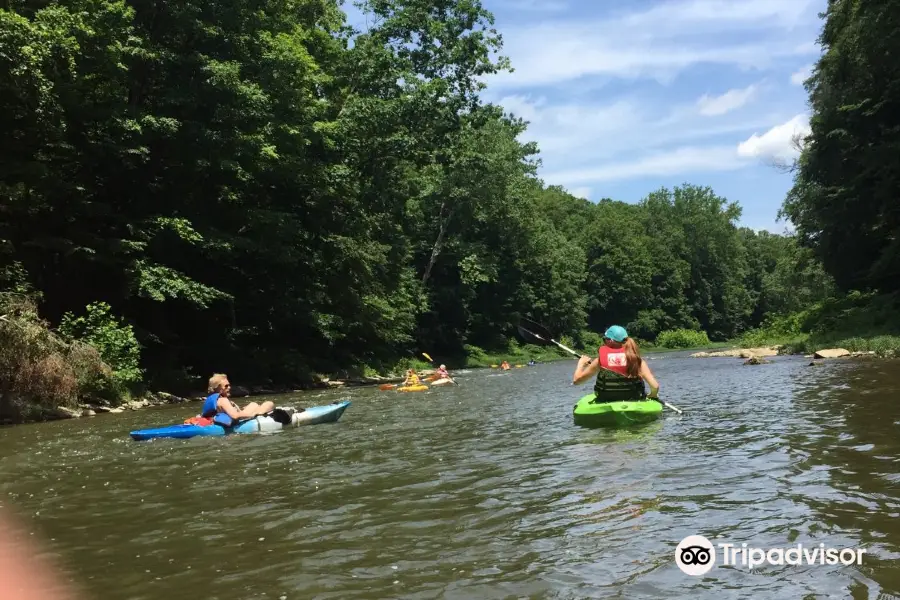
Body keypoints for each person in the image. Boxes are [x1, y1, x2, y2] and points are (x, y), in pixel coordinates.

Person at [572, 325, 660, 401]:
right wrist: (653, 395)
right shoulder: (637, 361)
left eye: (604, 339)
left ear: (610, 341)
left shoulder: (598, 361)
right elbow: (655, 386)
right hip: (634, 398)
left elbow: (577, 381)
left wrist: (581, 364)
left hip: (605, 398)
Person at [201, 373, 275, 427]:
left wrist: (236, 408)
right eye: (226, 386)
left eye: (229, 385)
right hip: (239, 419)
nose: (229, 388)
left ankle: (257, 409)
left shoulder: (211, 399)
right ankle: (260, 412)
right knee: (269, 403)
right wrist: (253, 414)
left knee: (253, 404)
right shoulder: (223, 400)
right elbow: (235, 416)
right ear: (218, 388)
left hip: (221, 420)